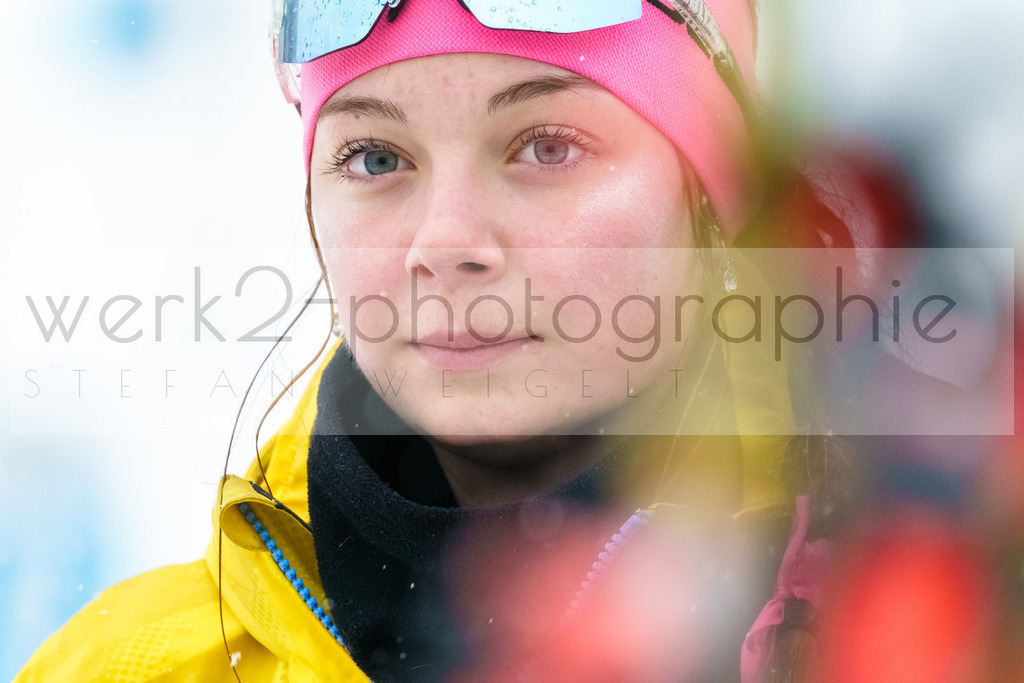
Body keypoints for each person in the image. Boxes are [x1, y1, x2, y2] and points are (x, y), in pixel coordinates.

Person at [16, 1, 851, 680]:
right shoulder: (127, 666)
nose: (445, 242)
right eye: (377, 158)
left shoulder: (911, 621)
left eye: (547, 147)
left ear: (714, 196)